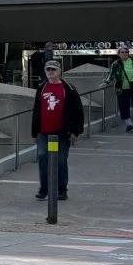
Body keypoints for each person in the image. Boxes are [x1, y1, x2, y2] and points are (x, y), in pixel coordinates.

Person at [31, 59, 85, 201]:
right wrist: (34, 132)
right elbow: (36, 110)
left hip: (61, 132)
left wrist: (76, 130)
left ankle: (62, 189)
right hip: (44, 131)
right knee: (43, 157)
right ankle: (44, 188)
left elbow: (78, 110)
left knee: (61, 161)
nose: (50, 72)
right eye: (48, 70)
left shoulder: (69, 88)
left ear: (59, 72)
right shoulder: (42, 88)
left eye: (53, 70)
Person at [109, 46, 133, 133]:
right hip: (122, 88)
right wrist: (106, 82)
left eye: (126, 52)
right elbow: (111, 74)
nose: (124, 54)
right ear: (119, 54)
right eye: (122, 52)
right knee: (123, 107)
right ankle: (129, 125)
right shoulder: (116, 64)